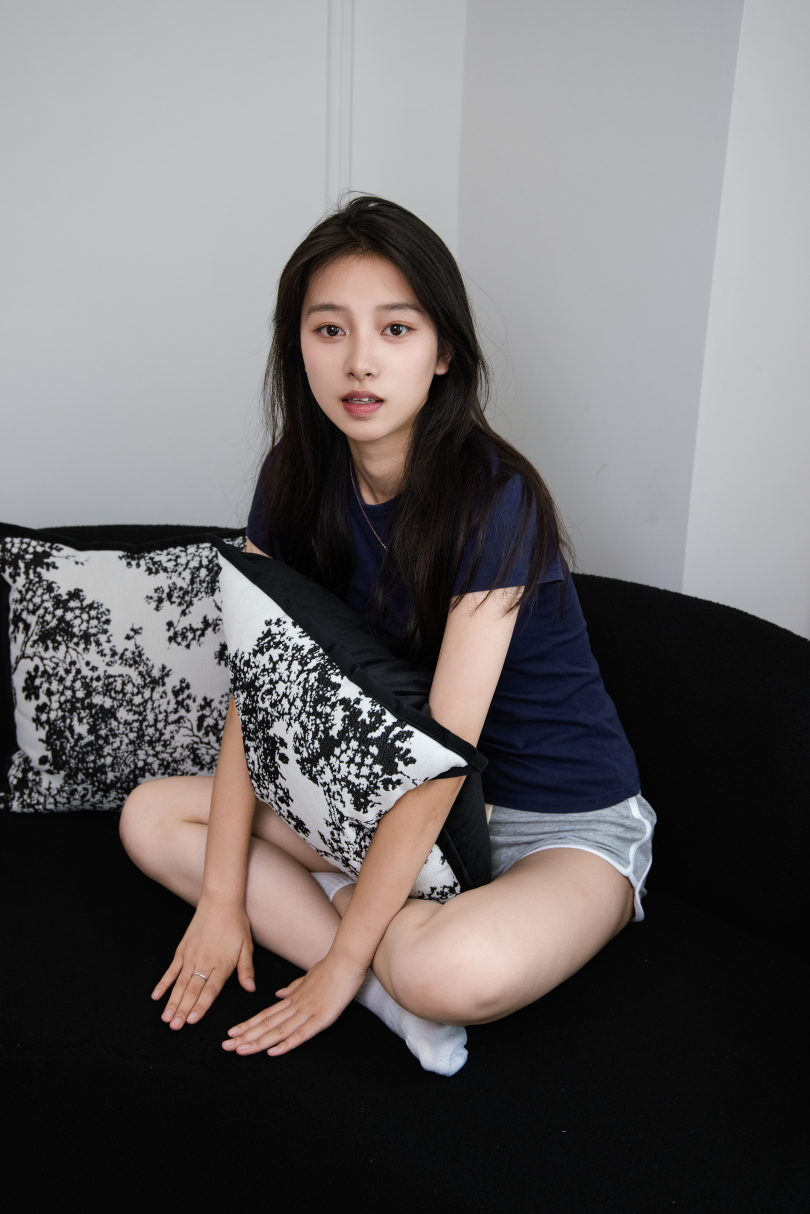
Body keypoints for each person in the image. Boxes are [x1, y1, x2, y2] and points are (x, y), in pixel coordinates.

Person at [120, 196, 655, 1076]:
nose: (359, 360)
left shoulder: (497, 499)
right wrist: (219, 899)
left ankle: (367, 945)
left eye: (396, 330)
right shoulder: (293, 479)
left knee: (442, 969)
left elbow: (439, 759)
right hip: (381, 813)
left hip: (553, 825)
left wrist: (336, 957)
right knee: (151, 816)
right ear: (297, 345)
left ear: (444, 353)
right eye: (329, 329)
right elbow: (261, 684)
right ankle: (384, 993)